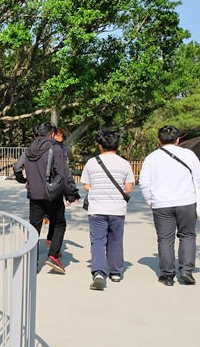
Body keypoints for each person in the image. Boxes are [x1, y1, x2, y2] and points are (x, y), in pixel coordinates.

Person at [138, 126, 200, 286]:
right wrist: (196, 194)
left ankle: (167, 275)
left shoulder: (152, 158)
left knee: (165, 238)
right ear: (178, 139)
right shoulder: (189, 155)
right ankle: (186, 271)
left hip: (161, 203)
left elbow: (144, 182)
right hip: (186, 201)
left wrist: (150, 200)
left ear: (159, 140)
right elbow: (199, 177)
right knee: (187, 236)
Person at [14, 122, 80, 274]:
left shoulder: (30, 148)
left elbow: (17, 167)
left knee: (34, 226)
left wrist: (23, 180)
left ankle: (32, 261)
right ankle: (53, 256)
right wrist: (71, 194)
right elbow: (63, 174)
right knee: (59, 223)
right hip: (52, 194)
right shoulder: (56, 148)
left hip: (34, 194)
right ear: (51, 134)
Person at [80, 128, 134, 291]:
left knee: (97, 240)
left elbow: (87, 185)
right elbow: (129, 188)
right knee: (116, 240)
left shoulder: (91, 162)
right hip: (117, 208)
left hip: (97, 208)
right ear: (117, 145)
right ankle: (116, 272)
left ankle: (98, 273)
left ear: (100, 145)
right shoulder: (124, 164)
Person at [45, 127, 68, 247]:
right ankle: (53, 249)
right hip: (53, 184)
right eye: (56, 135)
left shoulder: (62, 148)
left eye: (60, 136)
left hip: (53, 184)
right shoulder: (53, 148)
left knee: (54, 216)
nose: (57, 137)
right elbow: (64, 172)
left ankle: (50, 239)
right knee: (58, 219)